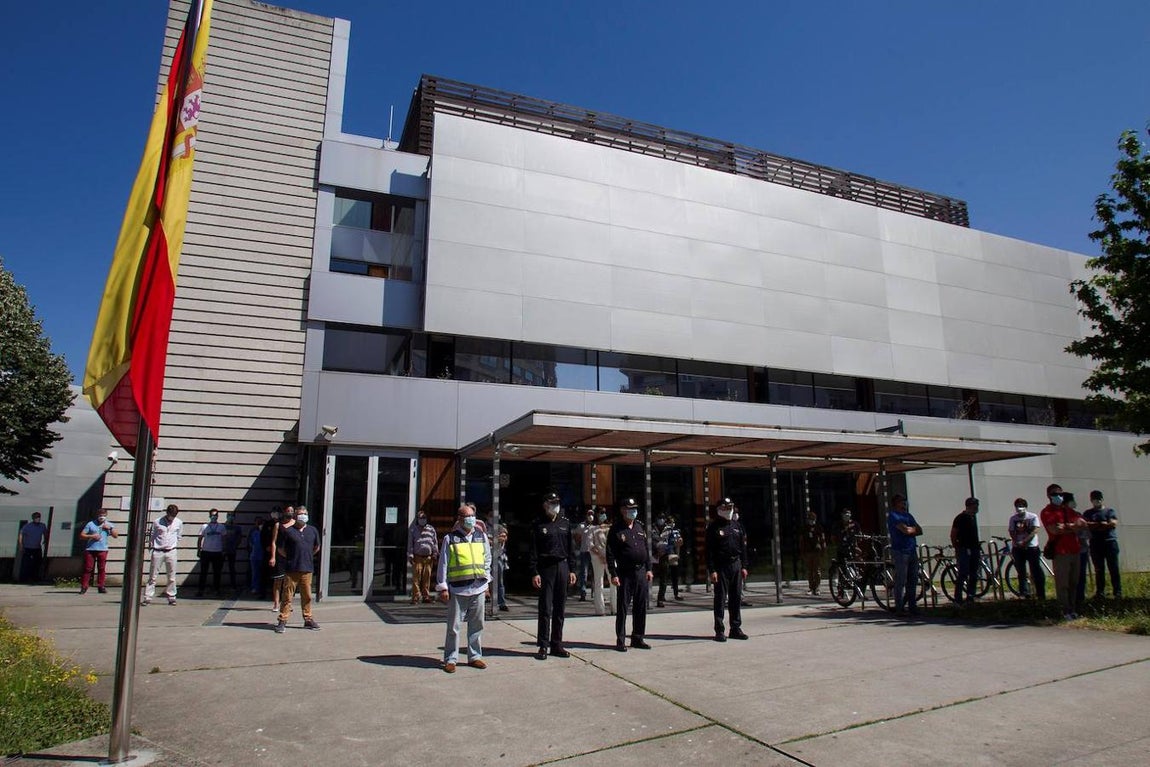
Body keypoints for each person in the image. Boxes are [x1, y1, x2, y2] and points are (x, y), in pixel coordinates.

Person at [436, 504, 492, 672]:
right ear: (460, 519)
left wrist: (486, 582)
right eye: (467, 516)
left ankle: (475, 657)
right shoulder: (450, 538)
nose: (471, 519)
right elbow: (443, 564)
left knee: (477, 625)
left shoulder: (481, 536)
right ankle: (450, 659)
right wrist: (443, 587)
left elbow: (487, 559)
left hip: (478, 587)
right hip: (458, 589)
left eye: (472, 516)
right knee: (454, 627)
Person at [530, 492, 577, 660]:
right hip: (546, 568)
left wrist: (572, 569)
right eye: (552, 503)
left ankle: (557, 644)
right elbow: (533, 550)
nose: (555, 506)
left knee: (559, 608)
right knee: (545, 608)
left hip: (562, 566)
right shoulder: (538, 524)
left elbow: (571, 548)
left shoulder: (565, 523)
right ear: (545, 505)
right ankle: (543, 645)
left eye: (557, 502)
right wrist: (534, 572)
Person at [606, 498, 653, 651]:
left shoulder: (639, 526)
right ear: (622, 510)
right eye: (630, 508)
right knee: (623, 607)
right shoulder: (616, 529)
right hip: (625, 572)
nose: (633, 511)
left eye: (635, 508)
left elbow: (646, 549)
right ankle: (621, 640)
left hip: (641, 572)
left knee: (640, 606)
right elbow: (610, 553)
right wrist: (613, 574)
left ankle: (638, 638)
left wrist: (649, 569)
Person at [1040, 484, 1086, 620]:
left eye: (1060, 494)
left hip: (1075, 550)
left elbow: (1082, 524)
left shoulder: (1067, 510)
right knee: (1063, 583)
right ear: (1049, 496)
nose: (1058, 496)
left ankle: (1073, 609)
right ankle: (1065, 611)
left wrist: (1066, 526)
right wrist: (1072, 527)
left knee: (1074, 582)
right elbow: (1054, 530)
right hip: (1060, 552)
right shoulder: (1047, 512)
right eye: (1055, 494)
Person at [706, 498, 749, 641]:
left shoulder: (737, 526)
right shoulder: (713, 528)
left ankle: (735, 628)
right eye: (725, 508)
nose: (729, 510)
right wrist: (712, 570)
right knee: (720, 599)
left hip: (736, 564)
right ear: (719, 510)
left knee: (736, 597)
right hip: (721, 566)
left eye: (730, 507)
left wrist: (744, 566)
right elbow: (709, 551)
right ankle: (719, 630)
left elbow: (743, 548)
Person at [274, 506, 321, 633]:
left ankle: (308, 619)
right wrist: (291, 557)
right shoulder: (288, 531)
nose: (303, 516)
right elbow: (281, 549)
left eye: (305, 513)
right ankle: (283, 620)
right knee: (287, 596)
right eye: (300, 514)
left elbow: (316, 547)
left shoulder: (312, 530)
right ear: (295, 516)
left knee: (307, 596)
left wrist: (308, 556)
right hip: (292, 568)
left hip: (307, 568)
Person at [886, 495, 921, 616]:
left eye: (905, 502)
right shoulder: (893, 516)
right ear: (896, 503)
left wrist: (910, 530)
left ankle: (912, 606)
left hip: (912, 550)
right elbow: (904, 530)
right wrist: (911, 530)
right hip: (900, 551)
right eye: (902, 502)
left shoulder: (908, 516)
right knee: (901, 580)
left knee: (913, 579)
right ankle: (899, 607)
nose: (904, 504)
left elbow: (920, 530)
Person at [1084, 490, 1121, 599]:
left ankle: (1117, 591)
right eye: (1095, 498)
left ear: (1102, 499)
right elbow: (1087, 525)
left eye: (1099, 498)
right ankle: (1100, 592)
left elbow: (1113, 524)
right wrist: (1102, 524)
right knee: (1099, 569)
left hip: (1110, 542)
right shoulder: (1088, 513)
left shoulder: (1109, 511)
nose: (1097, 500)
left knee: (1113, 568)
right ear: (1091, 500)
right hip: (1096, 543)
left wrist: (1097, 526)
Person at [143, 505, 181, 605]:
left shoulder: (178, 522)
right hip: (158, 550)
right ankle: (148, 597)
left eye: (174, 515)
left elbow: (178, 535)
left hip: (171, 551)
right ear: (167, 513)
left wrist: (173, 544)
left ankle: (172, 596)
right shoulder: (157, 522)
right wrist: (151, 545)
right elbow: (152, 534)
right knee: (153, 576)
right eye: (171, 514)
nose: (172, 517)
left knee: (172, 576)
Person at [1008, 498, 1045, 600]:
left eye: (1021, 506)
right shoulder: (1013, 518)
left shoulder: (1032, 516)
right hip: (1017, 548)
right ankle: (1024, 593)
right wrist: (1016, 541)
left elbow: (1035, 530)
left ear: (1025, 506)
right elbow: (1011, 531)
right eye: (1017, 506)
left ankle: (1040, 593)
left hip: (1031, 547)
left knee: (1036, 570)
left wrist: (1025, 541)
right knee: (1021, 571)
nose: (1019, 508)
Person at [950, 497, 981, 605]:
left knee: (974, 574)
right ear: (969, 506)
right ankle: (958, 598)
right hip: (964, 548)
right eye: (974, 505)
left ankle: (970, 596)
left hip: (974, 548)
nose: (976, 508)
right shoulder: (960, 518)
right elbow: (953, 534)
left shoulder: (973, 518)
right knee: (963, 573)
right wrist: (957, 547)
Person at [79, 510, 118, 595]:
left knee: (101, 568)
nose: (101, 517)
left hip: (103, 549)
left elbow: (116, 535)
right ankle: (84, 586)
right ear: (97, 515)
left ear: (106, 515)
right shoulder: (91, 524)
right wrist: (92, 536)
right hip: (90, 549)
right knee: (88, 568)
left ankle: (101, 586)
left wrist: (110, 529)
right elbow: (82, 535)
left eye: (103, 515)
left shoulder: (109, 524)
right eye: (100, 515)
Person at [408, 509, 439, 604]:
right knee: (416, 578)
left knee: (427, 577)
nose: (422, 519)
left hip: (428, 557)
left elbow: (435, 542)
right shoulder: (413, 529)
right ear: (418, 519)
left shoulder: (431, 529)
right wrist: (410, 555)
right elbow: (410, 543)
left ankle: (426, 596)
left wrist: (435, 553)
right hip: (417, 557)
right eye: (421, 518)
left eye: (424, 517)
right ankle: (416, 596)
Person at [654, 514, 684, 607]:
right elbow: (660, 542)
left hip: (672, 554)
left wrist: (678, 552)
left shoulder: (674, 531)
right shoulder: (663, 530)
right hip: (664, 555)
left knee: (674, 576)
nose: (672, 524)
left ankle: (675, 593)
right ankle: (660, 598)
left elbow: (679, 543)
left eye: (673, 522)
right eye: (670, 522)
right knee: (664, 578)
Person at [588, 508, 613, 616]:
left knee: (614, 581)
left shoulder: (610, 527)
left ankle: (615, 608)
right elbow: (590, 544)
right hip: (597, 558)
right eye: (601, 513)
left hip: (610, 557)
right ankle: (600, 610)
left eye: (604, 513)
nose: (603, 515)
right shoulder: (592, 528)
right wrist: (600, 555)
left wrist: (609, 556)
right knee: (599, 583)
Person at [196, 508, 226, 597]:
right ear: (209, 516)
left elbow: (224, 539)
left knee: (217, 572)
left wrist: (224, 550)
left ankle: (216, 589)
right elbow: (200, 538)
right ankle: (201, 590)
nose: (214, 517)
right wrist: (199, 549)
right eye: (212, 515)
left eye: (216, 515)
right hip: (206, 551)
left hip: (217, 552)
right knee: (203, 572)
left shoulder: (221, 527)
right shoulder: (204, 526)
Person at [266, 506, 290, 611]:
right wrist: (273, 556)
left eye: (291, 511)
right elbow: (273, 541)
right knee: (278, 580)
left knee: (289, 582)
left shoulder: (295, 525)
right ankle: (276, 603)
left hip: (290, 555)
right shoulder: (278, 525)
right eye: (288, 511)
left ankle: (287, 602)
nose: (289, 513)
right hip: (279, 555)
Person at [798, 509, 826, 596]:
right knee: (810, 571)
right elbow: (801, 540)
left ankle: (817, 587)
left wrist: (823, 549)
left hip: (816, 551)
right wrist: (802, 552)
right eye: (810, 519)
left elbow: (822, 539)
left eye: (813, 519)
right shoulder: (804, 528)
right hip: (808, 552)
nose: (811, 520)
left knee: (817, 570)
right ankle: (811, 587)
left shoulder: (819, 527)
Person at [18, 512, 49, 583]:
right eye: (36, 517)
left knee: (37, 563)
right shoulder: (27, 526)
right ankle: (24, 578)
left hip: (37, 547)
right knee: (26, 563)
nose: (38, 518)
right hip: (28, 547)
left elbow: (45, 533)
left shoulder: (42, 526)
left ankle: (35, 577)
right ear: (33, 518)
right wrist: (21, 545)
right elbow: (21, 534)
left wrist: (45, 539)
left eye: (38, 517)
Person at [574, 507, 595, 601]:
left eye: (592, 514)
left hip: (594, 553)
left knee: (595, 574)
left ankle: (595, 593)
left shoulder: (595, 526)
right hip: (584, 552)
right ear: (586, 515)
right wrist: (580, 544)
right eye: (589, 514)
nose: (590, 516)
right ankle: (583, 593)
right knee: (584, 573)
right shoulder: (581, 526)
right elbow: (576, 537)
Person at [222, 510, 242, 594]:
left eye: (232, 515)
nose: (231, 517)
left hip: (232, 550)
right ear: (227, 516)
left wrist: (235, 546)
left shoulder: (237, 527)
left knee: (232, 568)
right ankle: (218, 586)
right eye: (229, 515)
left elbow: (239, 538)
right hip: (222, 550)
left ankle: (233, 585)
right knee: (219, 568)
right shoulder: (222, 526)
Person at [494, 521, 510, 612]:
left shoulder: (500, 527)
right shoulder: (483, 526)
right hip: (485, 558)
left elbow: (503, 538)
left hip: (498, 557)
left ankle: (501, 603)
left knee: (500, 582)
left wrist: (492, 539)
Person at [247, 521, 263, 596]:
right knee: (254, 573)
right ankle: (254, 587)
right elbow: (250, 542)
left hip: (262, 556)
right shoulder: (254, 533)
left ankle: (261, 588)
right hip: (254, 556)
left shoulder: (264, 534)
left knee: (261, 573)